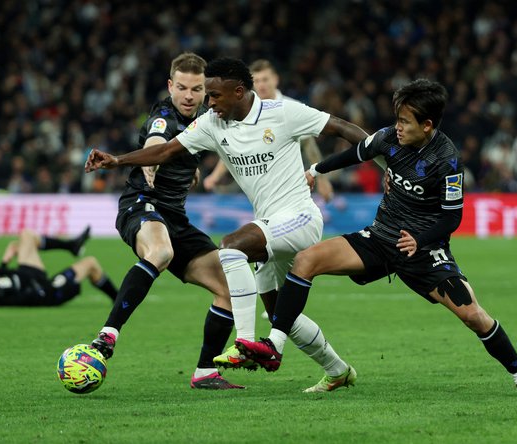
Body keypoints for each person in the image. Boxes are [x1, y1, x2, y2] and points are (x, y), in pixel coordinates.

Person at [235, 79, 517, 399]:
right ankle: (275, 345)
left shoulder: (447, 161)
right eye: (397, 119)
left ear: (426, 125)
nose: (397, 127)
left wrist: (420, 240)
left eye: (404, 122)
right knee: (306, 260)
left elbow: (452, 217)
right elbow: (356, 153)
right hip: (380, 237)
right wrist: (316, 169)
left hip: (424, 251)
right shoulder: (388, 139)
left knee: (473, 315)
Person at [86, 57, 372, 393]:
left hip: (301, 218)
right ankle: (337, 370)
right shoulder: (211, 123)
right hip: (268, 225)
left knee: (231, 246)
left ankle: (246, 343)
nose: (207, 102)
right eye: (203, 94)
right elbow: (163, 149)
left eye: (213, 95)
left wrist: (387, 160)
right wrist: (117, 160)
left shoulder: (282, 112)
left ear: (238, 92)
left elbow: (341, 128)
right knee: (282, 314)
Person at [87, 53, 243, 390]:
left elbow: (190, 145)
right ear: (170, 86)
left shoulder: (206, 116)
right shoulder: (163, 116)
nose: (188, 95)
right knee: (160, 252)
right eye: (182, 87)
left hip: (175, 216)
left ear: (206, 90)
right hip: (141, 204)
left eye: (197, 89)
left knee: (230, 288)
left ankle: (205, 373)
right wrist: (150, 165)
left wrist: (193, 168)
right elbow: (157, 143)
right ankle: (107, 336)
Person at [203, 59, 334, 202]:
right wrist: (215, 176)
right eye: (257, 81)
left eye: (265, 79)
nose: (261, 85)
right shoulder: (243, 110)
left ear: (275, 80)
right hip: (256, 184)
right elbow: (233, 146)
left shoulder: (290, 108)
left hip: (288, 184)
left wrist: (322, 179)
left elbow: (309, 145)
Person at [0, 227, 119, 306]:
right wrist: (0, 266)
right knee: (90, 263)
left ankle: (71, 246)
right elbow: (16, 282)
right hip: (45, 292)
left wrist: (4, 265)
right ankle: (118, 300)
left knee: (26, 236)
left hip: (35, 284)